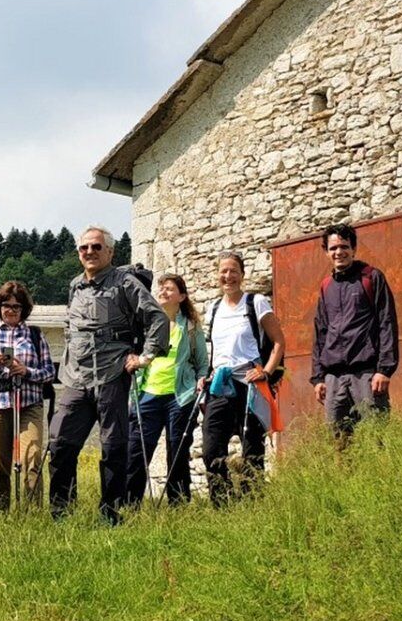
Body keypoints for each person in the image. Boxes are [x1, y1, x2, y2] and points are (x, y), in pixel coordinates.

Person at [48, 225, 169, 525]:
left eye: (96, 247)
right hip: (76, 377)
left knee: (114, 446)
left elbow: (155, 317)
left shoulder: (125, 282)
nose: (89, 252)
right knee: (60, 442)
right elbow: (71, 326)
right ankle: (61, 512)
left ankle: (111, 514)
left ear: (110, 252)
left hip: (112, 373)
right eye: (84, 248)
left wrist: (146, 356)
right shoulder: (75, 285)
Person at [200, 251, 285, 506]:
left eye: (233, 271)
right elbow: (214, 350)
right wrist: (205, 375)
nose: (228, 276)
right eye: (223, 271)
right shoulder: (212, 309)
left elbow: (279, 341)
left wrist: (266, 371)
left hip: (250, 385)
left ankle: (253, 504)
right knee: (211, 449)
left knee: (252, 450)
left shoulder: (255, 302)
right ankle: (223, 505)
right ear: (217, 275)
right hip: (220, 386)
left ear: (242, 274)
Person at [312, 223, 399, 450]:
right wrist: (318, 377)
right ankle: (344, 485)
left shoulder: (371, 278)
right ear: (326, 251)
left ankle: (378, 483)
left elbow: (387, 323)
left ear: (354, 248)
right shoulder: (326, 286)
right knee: (338, 443)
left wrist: (384, 369)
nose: (338, 252)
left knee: (375, 439)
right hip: (334, 378)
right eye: (333, 248)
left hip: (367, 373)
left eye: (344, 246)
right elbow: (320, 332)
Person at [124, 273, 208, 506]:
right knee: (137, 452)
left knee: (178, 452)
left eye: (169, 289)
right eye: (160, 288)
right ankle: (129, 506)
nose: (163, 292)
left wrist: (200, 382)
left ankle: (178, 505)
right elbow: (135, 356)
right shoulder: (146, 325)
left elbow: (202, 363)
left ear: (181, 296)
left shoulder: (190, 327)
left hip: (179, 397)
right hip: (147, 394)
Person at [0, 280, 56, 511]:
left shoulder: (35, 334)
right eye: (6, 305)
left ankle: (32, 514)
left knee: (32, 458)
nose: (11, 310)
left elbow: (50, 372)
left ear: (24, 309)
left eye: (17, 306)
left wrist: (26, 371)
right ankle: (2, 513)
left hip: (29, 403)